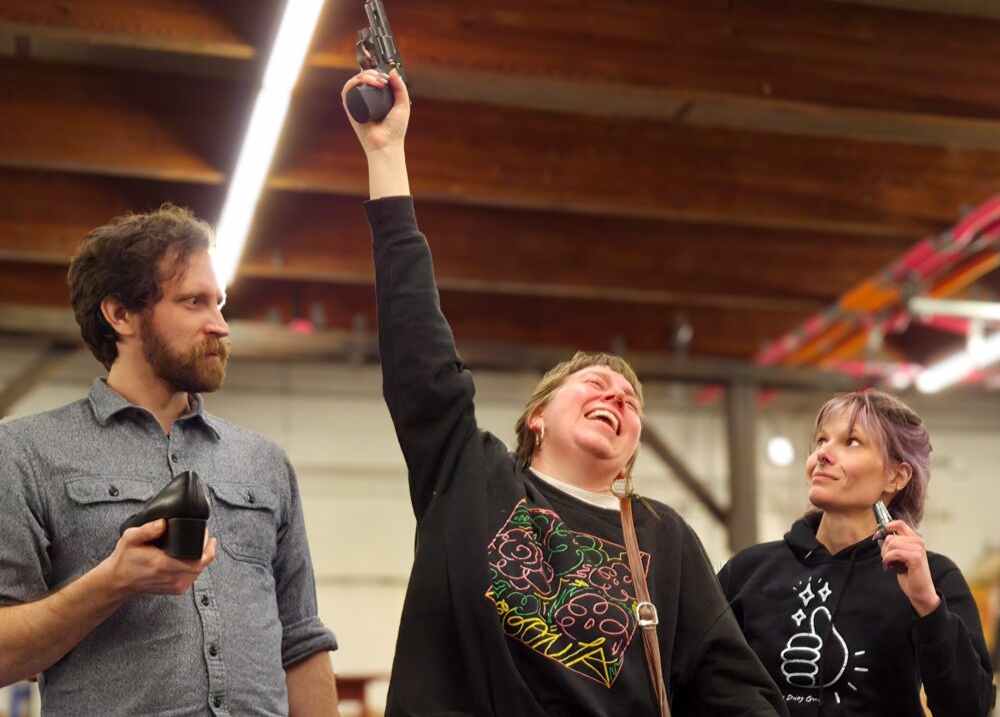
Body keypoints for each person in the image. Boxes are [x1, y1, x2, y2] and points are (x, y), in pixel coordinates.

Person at [341, 68, 787, 716]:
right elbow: (419, 353)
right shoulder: (470, 479)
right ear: (537, 419)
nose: (619, 395)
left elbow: (737, 694)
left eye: (632, 401)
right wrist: (386, 155)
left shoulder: (665, 540)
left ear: (629, 454)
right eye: (595, 381)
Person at [0, 206, 339, 716]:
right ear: (120, 314)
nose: (220, 326)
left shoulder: (264, 463)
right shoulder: (27, 453)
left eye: (219, 303)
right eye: (193, 302)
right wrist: (113, 581)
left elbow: (301, 640)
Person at [718, 390, 996, 716]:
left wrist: (927, 605)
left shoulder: (932, 577)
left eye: (851, 442)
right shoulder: (746, 573)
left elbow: (970, 708)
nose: (822, 453)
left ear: (897, 476)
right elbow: (704, 681)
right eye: (821, 440)